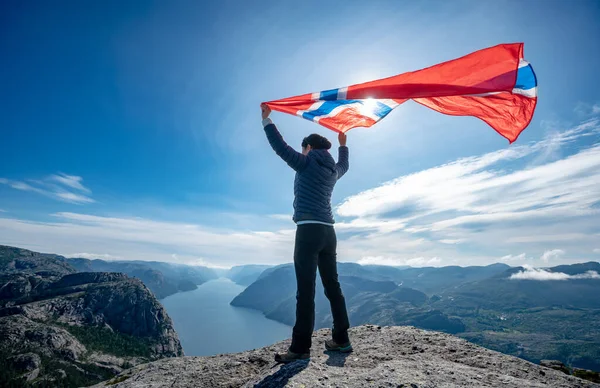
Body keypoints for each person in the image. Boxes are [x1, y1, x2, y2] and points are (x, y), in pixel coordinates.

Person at [260, 103, 352, 363]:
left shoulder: (305, 163)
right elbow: (345, 164)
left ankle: (300, 348)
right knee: (333, 286)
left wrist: (267, 121)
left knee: (305, 290)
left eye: (304, 148)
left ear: (309, 148)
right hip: (328, 232)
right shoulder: (333, 171)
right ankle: (342, 340)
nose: (301, 152)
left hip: (308, 231)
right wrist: (343, 144)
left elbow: (280, 148)